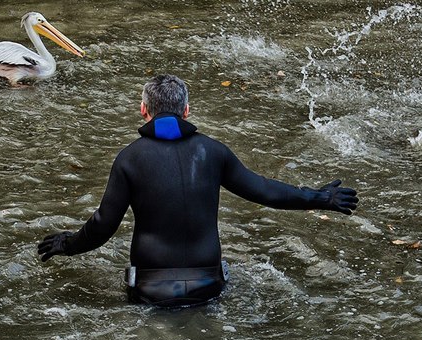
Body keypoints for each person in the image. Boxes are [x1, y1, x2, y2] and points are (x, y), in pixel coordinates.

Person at [37, 74, 358, 308]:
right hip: (210, 286)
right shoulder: (213, 152)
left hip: (150, 290)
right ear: (186, 111)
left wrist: (66, 244)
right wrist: (321, 197)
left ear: (143, 109)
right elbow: (265, 191)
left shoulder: (129, 159)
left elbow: (102, 227)